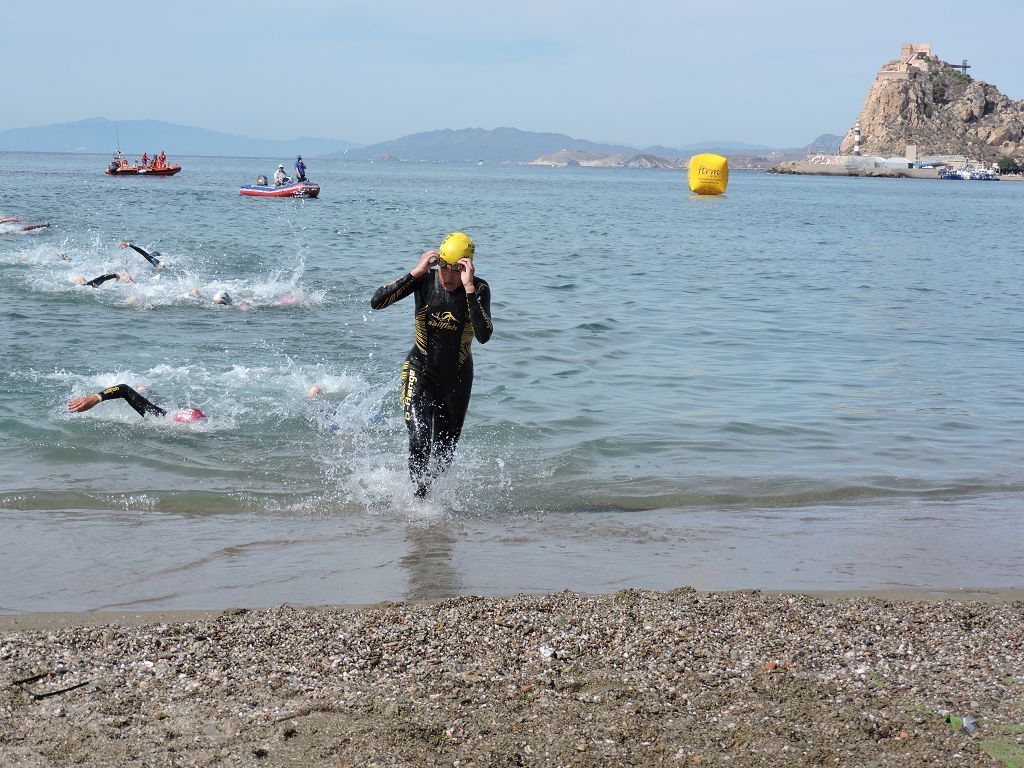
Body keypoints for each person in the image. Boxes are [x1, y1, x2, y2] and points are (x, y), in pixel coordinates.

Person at [370, 232, 493, 498]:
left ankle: (434, 502)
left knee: (443, 455)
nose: (446, 278)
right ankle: (418, 502)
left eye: (454, 271)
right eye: (442, 269)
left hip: (457, 378)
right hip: (420, 370)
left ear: (465, 267)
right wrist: (414, 273)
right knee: (419, 438)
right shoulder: (424, 280)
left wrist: (469, 289)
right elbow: (377, 302)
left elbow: (484, 335)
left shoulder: (479, 289)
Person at [68, 384, 205, 422]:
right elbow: (123, 389)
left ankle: (144, 390)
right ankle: (143, 389)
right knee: (151, 402)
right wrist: (94, 399)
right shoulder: (161, 418)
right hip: (164, 411)